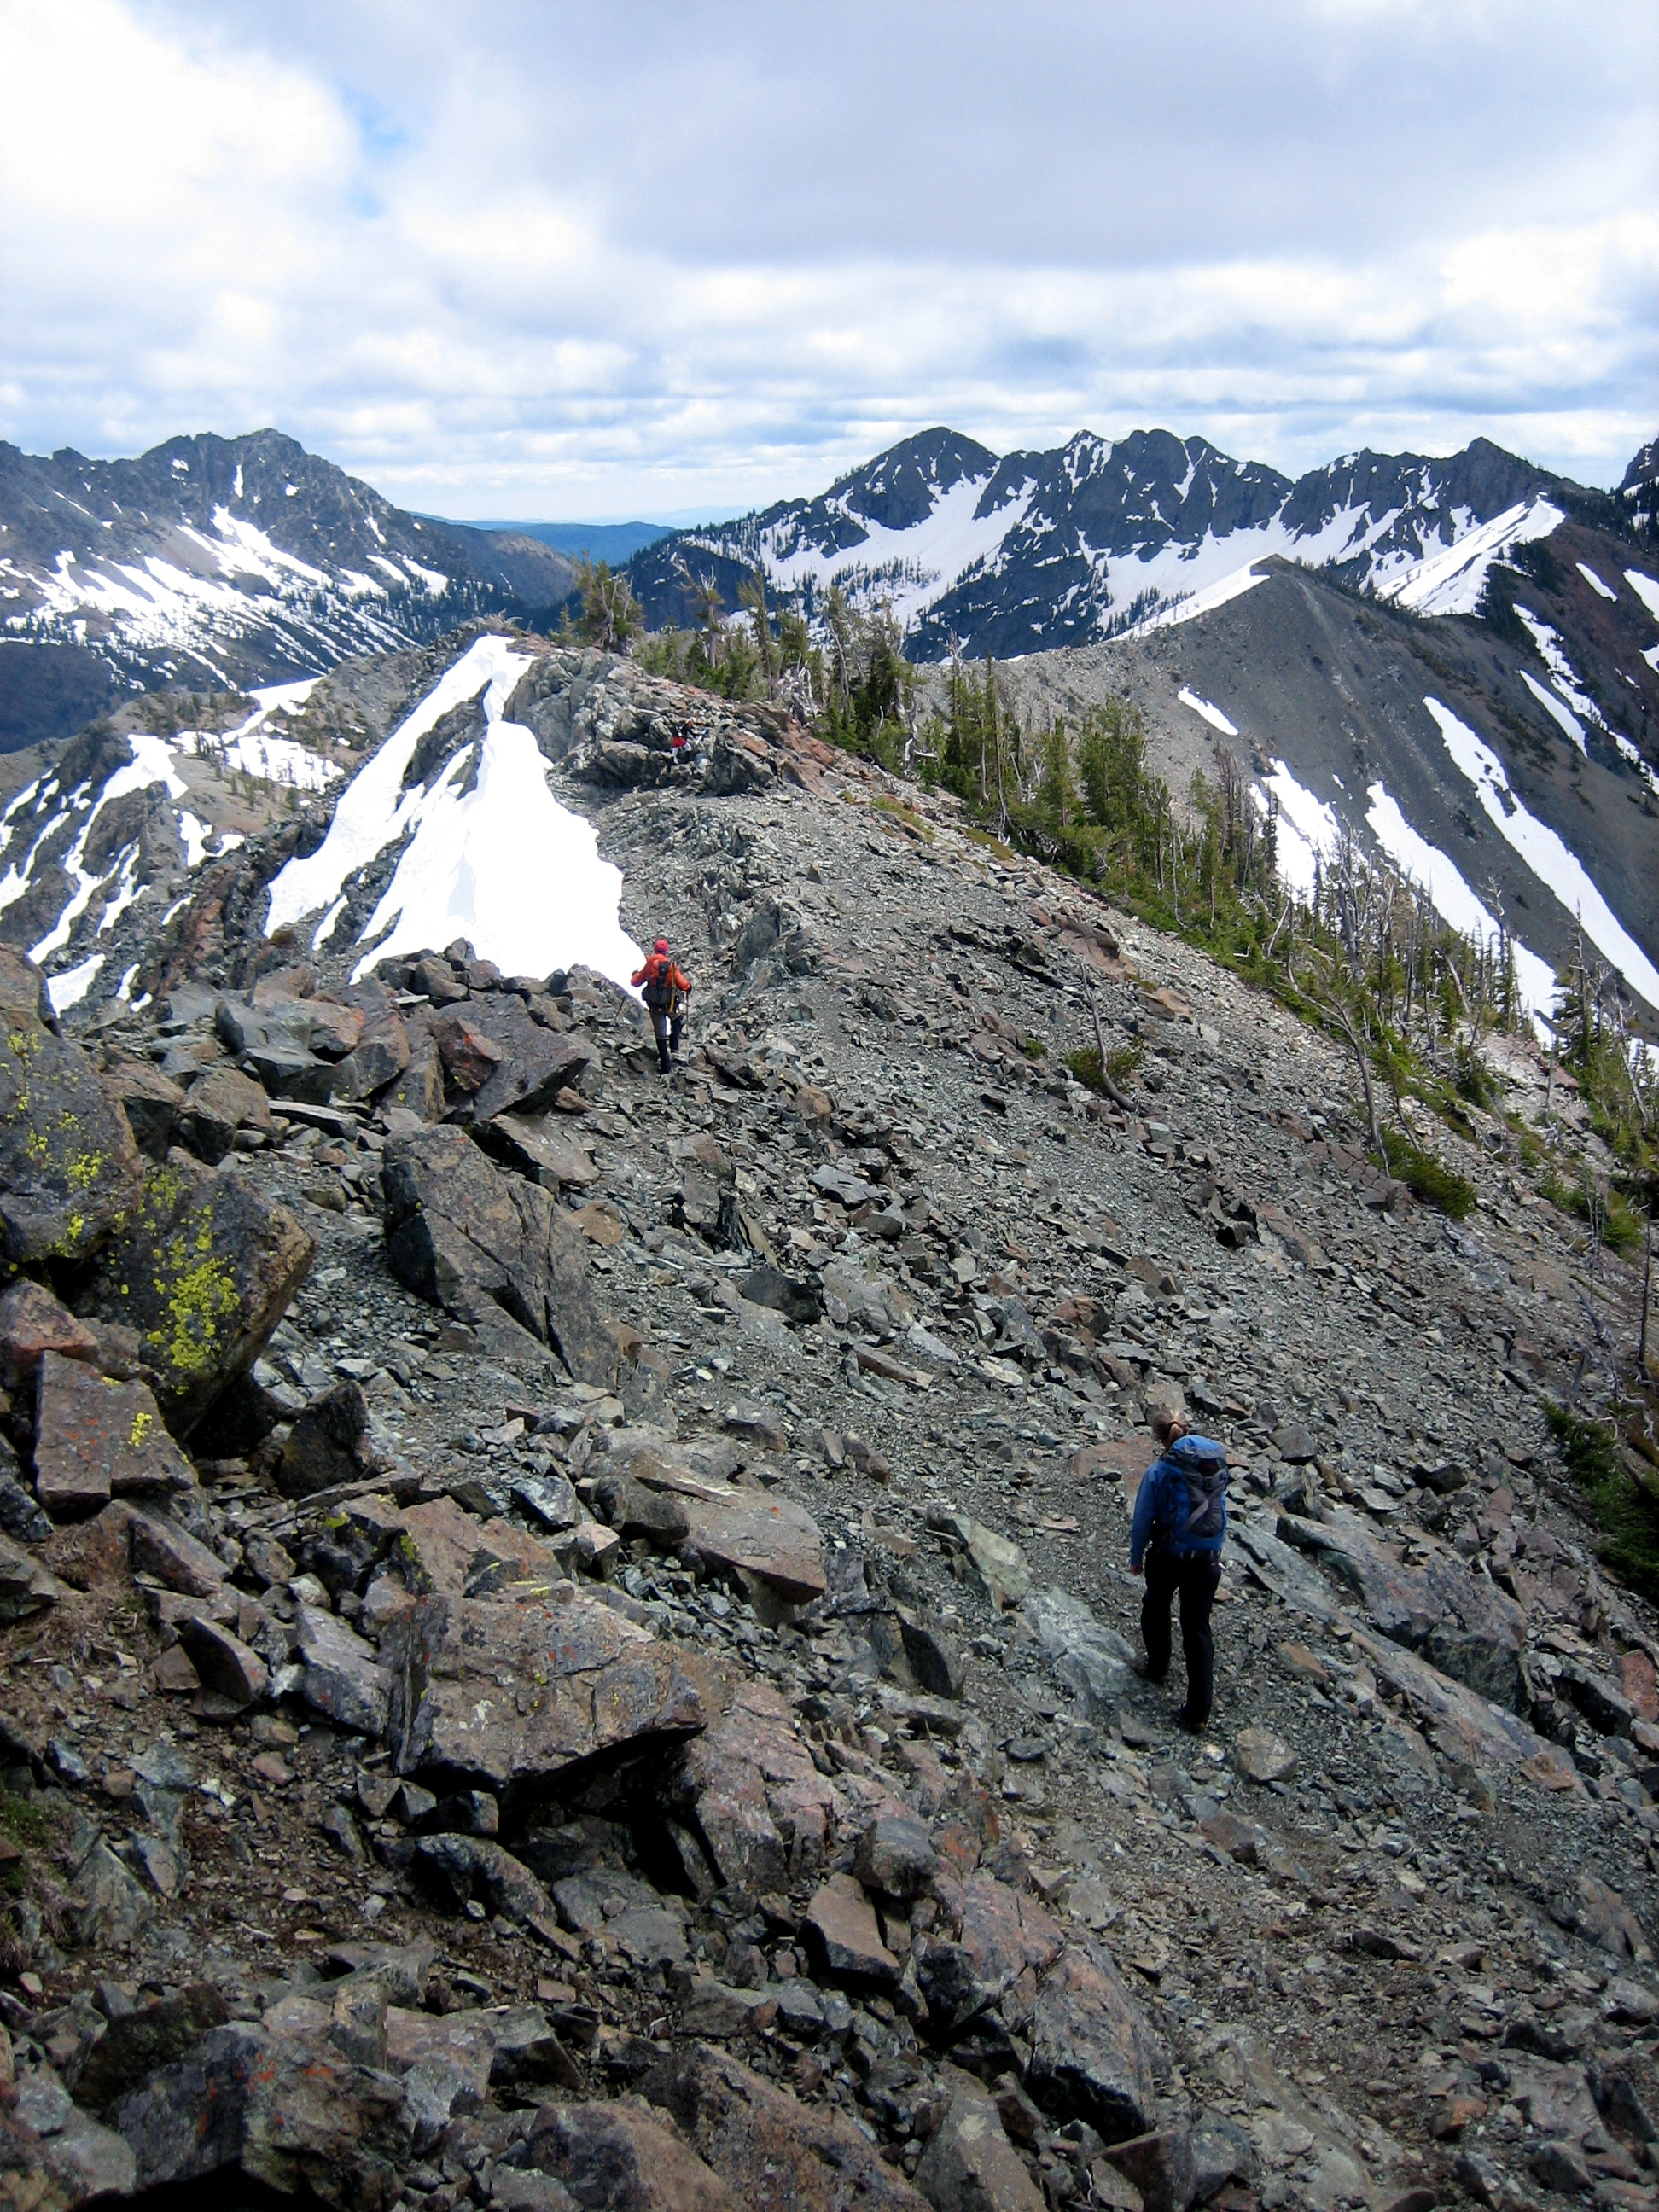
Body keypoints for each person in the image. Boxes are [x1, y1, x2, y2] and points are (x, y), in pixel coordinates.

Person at [1127, 1410, 1228, 1732]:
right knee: (1197, 1628)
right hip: (1207, 1560)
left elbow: (1142, 1518)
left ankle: (1158, 1667)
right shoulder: (1210, 1472)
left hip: (1169, 1555)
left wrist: (1136, 1557)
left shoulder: (1159, 1471)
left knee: (1156, 1605)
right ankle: (1198, 1712)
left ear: (1160, 1438)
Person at [632, 936, 691, 1074]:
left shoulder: (650, 964)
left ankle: (665, 1067)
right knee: (677, 1020)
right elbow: (683, 985)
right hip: (669, 1004)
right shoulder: (670, 966)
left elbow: (636, 982)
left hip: (654, 1006)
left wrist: (634, 975)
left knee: (660, 1034)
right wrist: (689, 987)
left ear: (655, 949)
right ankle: (675, 1048)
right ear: (666, 951)